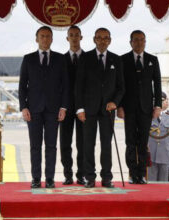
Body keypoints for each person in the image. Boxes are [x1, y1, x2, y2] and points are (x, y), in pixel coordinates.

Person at [19, 26, 69, 188]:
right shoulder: (28, 59)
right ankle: (35, 178)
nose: (45, 39)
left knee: (52, 146)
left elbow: (65, 85)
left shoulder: (60, 59)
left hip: (54, 110)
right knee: (35, 146)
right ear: (37, 39)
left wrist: (64, 107)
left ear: (52, 39)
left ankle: (49, 179)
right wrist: (23, 107)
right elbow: (22, 86)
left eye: (48, 36)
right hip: (33, 110)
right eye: (42, 36)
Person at [75, 27, 125, 188]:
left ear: (109, 40)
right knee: (88, 144)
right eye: (99, 38)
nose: (102, 41)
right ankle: (89, 177)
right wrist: (80, 109)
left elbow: (121, 87)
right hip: (88, 110)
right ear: (94, 39)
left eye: (105, 38)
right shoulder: (85, 58)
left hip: (107, 110)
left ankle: (107, 177)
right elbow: (79, 85)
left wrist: (115, 102)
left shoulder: (116, 60)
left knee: (106, 145)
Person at [118, 30, 162, 184]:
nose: (139, 42)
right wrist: (119, 106)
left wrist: (158, 105)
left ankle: (142, 174)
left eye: (142, 40)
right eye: (136, 40)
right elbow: (120, 85)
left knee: (143, 142)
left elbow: (157, 84)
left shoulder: (152, 60)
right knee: (130, 142)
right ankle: (132, 173)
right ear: (131, 42)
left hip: (146, 108)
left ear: (145, 41)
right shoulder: (122, 60)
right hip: (128, 108)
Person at [60, 25, 85, 185]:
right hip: (66, 107)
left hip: (83, 108)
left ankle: (81, 174)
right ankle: (68, 174)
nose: (74, 38)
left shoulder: (89, 58)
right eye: (71, 35)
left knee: (83, 143)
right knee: (65, 143)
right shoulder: (60, 59)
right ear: (67, 38)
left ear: (81, 38)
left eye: (77, 35)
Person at [147, 92, 169, 182]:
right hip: (150, 155)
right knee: (151, 184)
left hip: (165, 155)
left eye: (164, 100)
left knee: (164, 184)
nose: (163, 102)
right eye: (161, 101)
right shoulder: (147, 116)